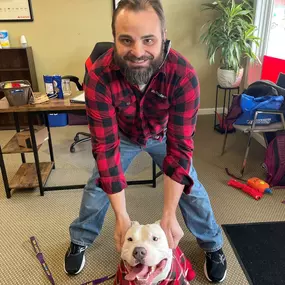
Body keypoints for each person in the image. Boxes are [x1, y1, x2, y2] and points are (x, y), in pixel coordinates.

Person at [64, 0, 227, 283]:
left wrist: (168, 214)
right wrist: (122, 216)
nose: (137, 51)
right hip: (123, 136)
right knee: (96, 185)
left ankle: (213, 245)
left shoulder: (183, 75)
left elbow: (180, 149)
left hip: (163, 135)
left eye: (148, 39)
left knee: (191, 186)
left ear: (164, 36)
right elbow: (104, 148)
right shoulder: (99, 77)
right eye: (126, 40)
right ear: (114, 38)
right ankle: (81, 238)